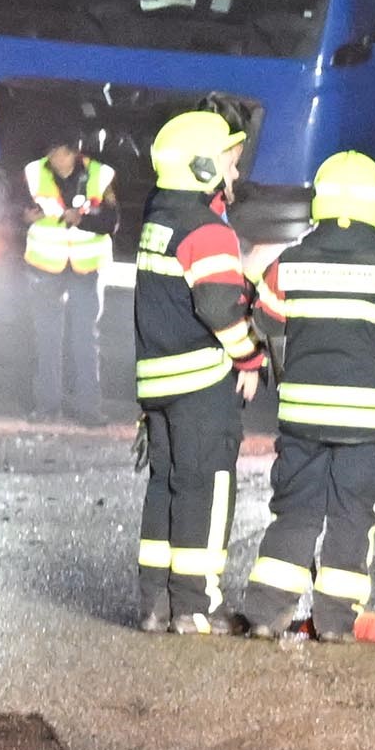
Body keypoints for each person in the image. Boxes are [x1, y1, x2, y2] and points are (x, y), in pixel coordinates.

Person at [248, 150, 375, 643]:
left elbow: (264, 321)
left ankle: (265, 613)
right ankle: (334, 622)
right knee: (352, 518)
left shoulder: (290, 263)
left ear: (319, 204)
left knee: (296, 510)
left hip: (302, 420)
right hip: (366, 426)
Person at [127, 108, 257, 631]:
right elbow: (219, 307)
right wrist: (250, 356)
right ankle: (195, 606)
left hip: (157, 381)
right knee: (206, 487)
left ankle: (155, 603)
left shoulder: (158, 219)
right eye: (229, 162)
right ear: (203, 168)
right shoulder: (206, 230)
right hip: (201, 383)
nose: (235, 173)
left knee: (165, 485)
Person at [19, 135, 122, 422]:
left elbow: (111, 221)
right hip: (45, 267)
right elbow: (10, 207)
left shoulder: (100, 175)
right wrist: (22, 216)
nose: (57, 160)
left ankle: (89, 409)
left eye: (62, 153)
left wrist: (82, 220)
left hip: (84, 269)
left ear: (75, 152)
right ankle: (46, 408)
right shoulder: (33, 172)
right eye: (53, 154)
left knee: (85, 339)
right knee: (47, 339)